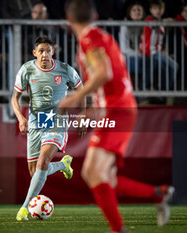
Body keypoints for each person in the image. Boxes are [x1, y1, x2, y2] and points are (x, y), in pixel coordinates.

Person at [61, 0, 174, 232]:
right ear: (95, 15)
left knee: (92, 172)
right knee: (105, 177)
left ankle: (119, 229)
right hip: (119, 108)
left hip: (117, 110)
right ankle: (158, 194)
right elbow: (112, 80)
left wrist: (73, 98)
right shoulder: (103, 37)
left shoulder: (89, 39)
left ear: (69, 20)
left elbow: (104, 73)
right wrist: (91, 110)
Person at [12, 36, 85, 221]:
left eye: (48, 50)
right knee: (35, 171)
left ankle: (24, 208)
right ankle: (63, 165)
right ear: (34, 53)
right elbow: (15, 97)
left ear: (53, 51)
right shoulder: (27, 69)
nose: (45, 54)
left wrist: (83, 114)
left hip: (56, 119)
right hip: (36, 120)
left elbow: (81, 89)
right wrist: (21, 117)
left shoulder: (65, 69)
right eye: (41, 51)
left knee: (43, 161)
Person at [141, 0, 178, 92]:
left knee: (165, 69)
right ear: (150, 10)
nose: (157, 11)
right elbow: (153, 24)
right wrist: (165, 21)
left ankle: (164, 92)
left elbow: (160, 40)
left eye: (160, 8)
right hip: (151, 52)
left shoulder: (161, 23)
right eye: (155, 8)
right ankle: (167, 92)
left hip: (158, 52)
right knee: (175, 65)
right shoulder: (148, 19)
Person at [119, 1, 149, 90]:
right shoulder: (125, 26)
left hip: (144, 55)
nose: (137, 12)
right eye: (134, 10)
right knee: (136, 63)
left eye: (139, 10)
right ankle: (138, 92)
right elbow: (124, 49)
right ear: (129, 12)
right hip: (129, 56)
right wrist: (140, 54)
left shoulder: (147, 24)